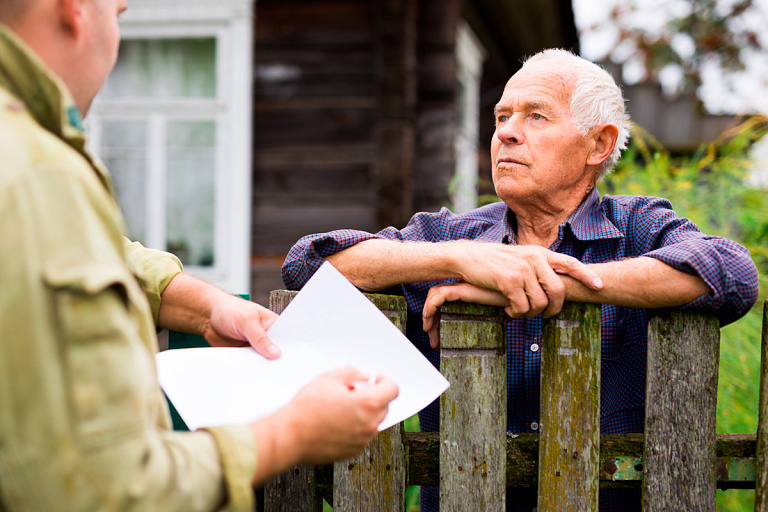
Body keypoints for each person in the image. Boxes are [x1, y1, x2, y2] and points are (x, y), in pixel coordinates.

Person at [282, 49, 759, 511]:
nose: (507, 133)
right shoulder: (450, 237)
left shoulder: (636, 226)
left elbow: (730, 273)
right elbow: (307, 264)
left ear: (599, 144)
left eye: (536, 117)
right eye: (501, 117)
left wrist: (558, 282)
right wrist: (464, 258)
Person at [0, 0, 398, 510]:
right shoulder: (36, 173)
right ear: (76, 9)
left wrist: (202, 305)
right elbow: (107, 488)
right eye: (117, 15)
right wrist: (292, 433)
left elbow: (80, 252)